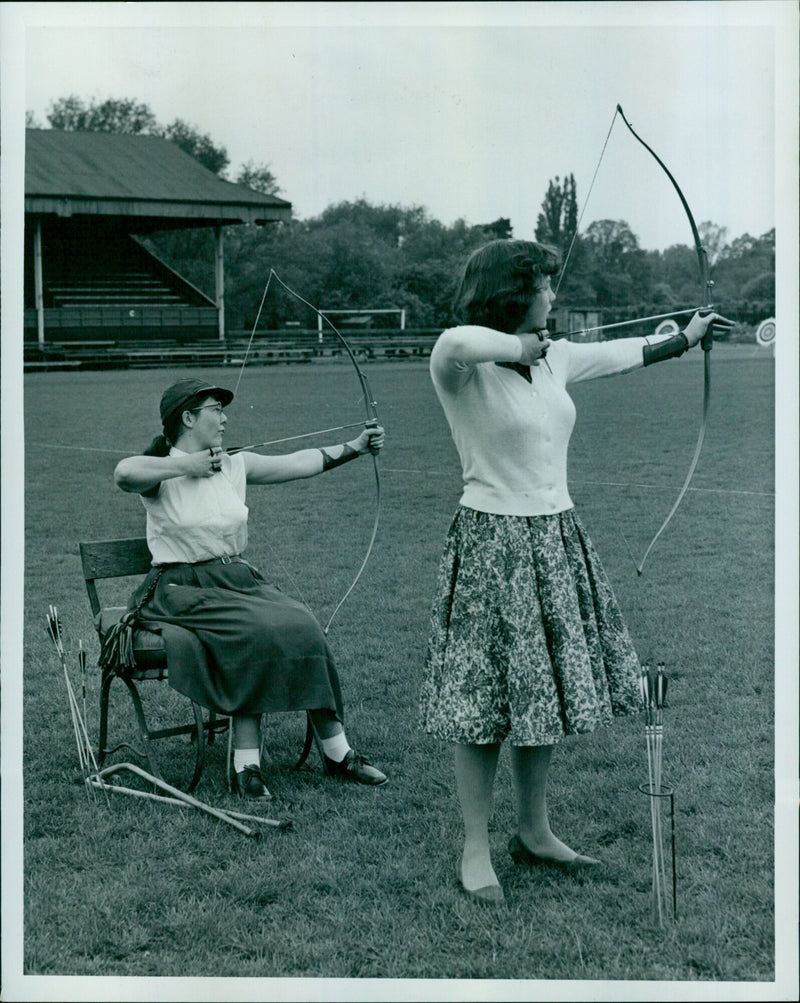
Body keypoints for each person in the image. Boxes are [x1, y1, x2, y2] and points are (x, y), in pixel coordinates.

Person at [419, 239, 733, 904]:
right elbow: (456, 341)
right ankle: (475, 846)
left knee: (544, 694)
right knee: (481, 701)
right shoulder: (462, 366)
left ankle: (534, 830)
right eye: (544, 285)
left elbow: (627, 353)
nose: (553, 297)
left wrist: (687, 336)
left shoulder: (556, 358)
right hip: (490, 544)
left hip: (555, 534)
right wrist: (516, 347)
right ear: (512, 292)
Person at [112, 376, 388, 798]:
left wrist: (356, 446)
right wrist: (187, 466)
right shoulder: (160, 470)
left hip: (236, 581)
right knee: (255, 631)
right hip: (181, 589)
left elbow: (299, 462)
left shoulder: (234, 463)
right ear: (188, 417)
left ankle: (337, 752)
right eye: (214, 411)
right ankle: (246, 766)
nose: (223, 419)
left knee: (302, 623)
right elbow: (123, 473)